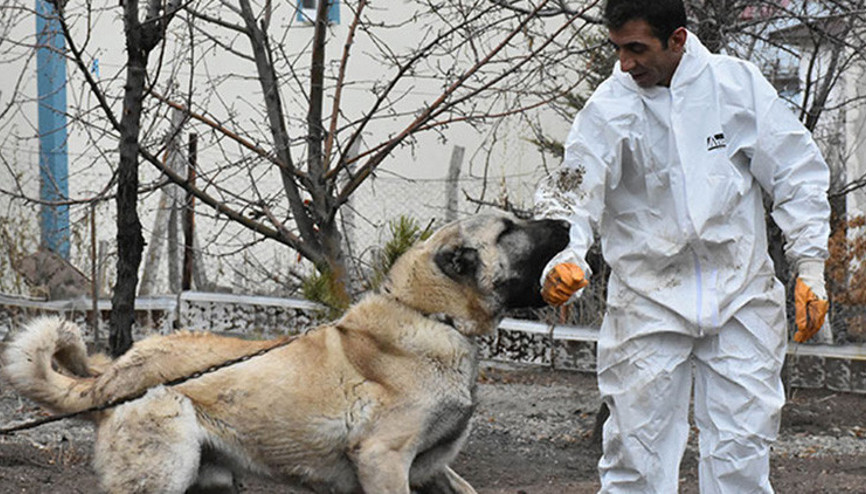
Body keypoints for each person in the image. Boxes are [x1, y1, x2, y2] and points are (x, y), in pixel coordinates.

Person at [534, 0, 831, 492]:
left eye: (637, 48)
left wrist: (811, 266)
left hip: (740, 296)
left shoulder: (735, 88)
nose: (626, 64)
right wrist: (566, 254)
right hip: (648, 301)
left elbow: (796, 171)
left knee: (742, 451)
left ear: (677, 39)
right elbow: (572, 189)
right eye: (618, 49)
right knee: (635, 455)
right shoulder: (610, 107)